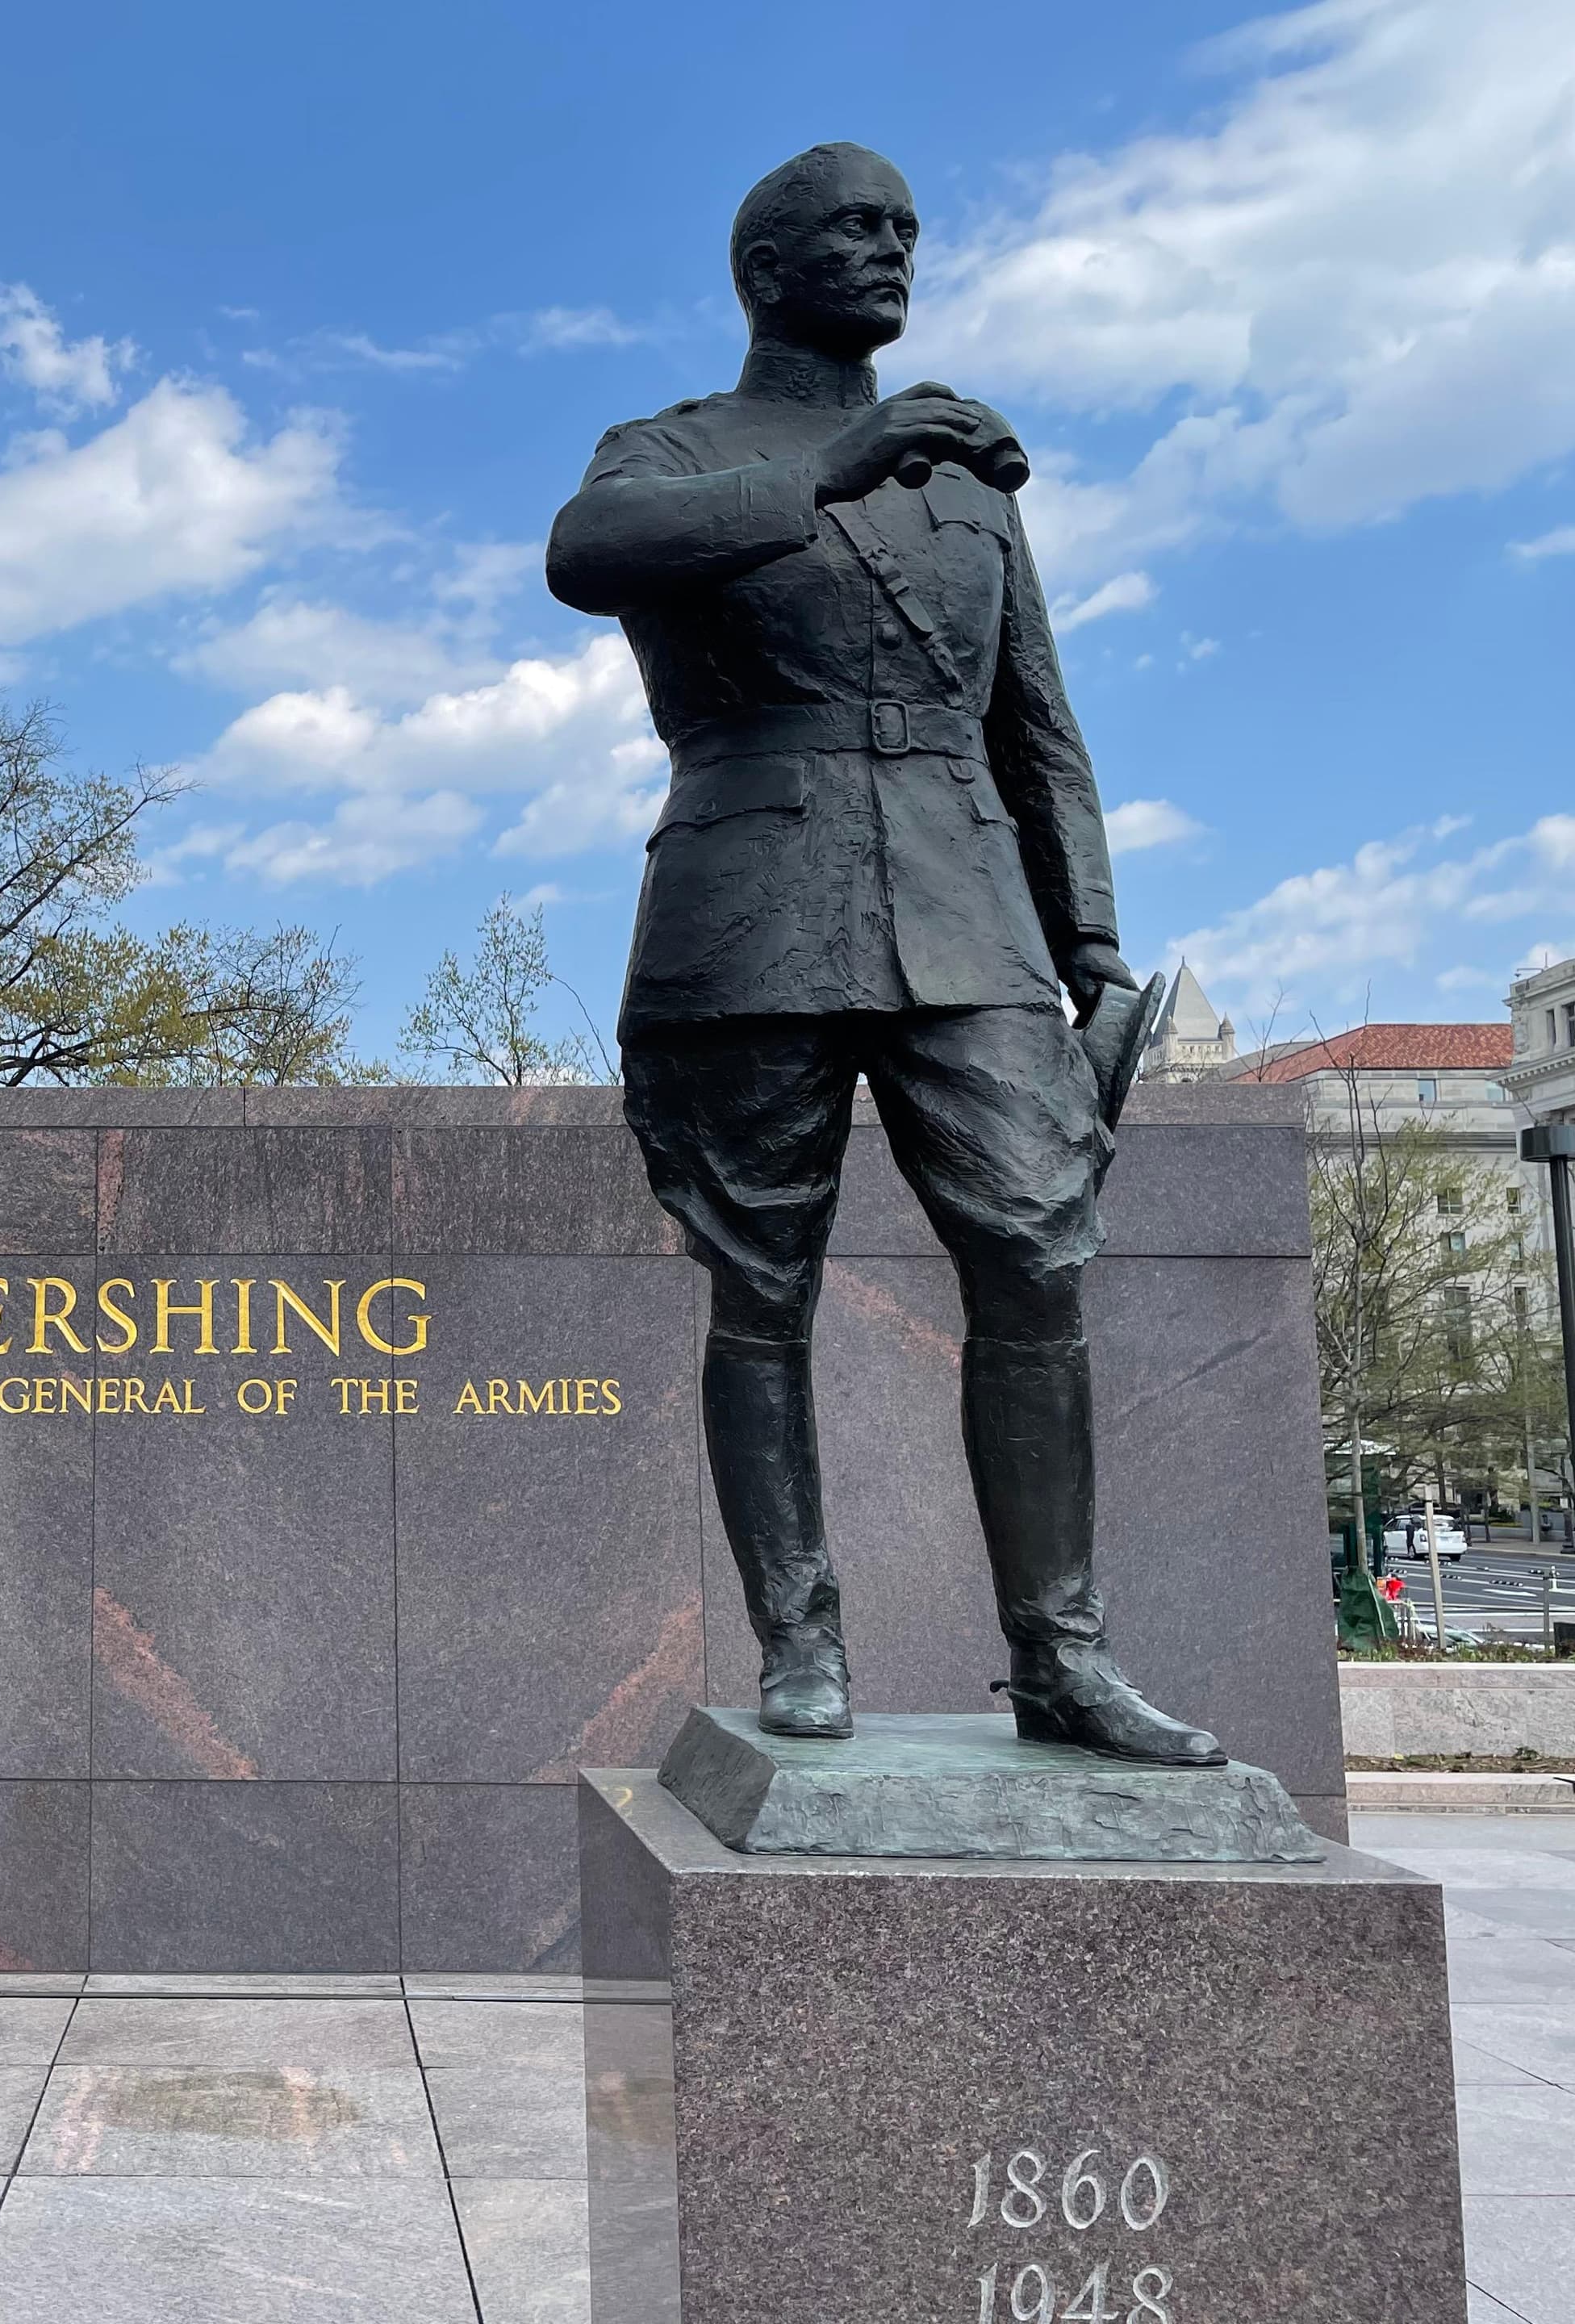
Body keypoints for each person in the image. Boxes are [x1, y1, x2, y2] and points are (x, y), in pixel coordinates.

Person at [546, 140, 1218, 1765]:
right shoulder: (674, 449)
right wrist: (849, 465)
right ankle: (801, 1643)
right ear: (764, 264)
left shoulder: (972, 489)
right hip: (746, 901)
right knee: (761, 1286)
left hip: (966, 903)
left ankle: (1059, 1653)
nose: (893, 253)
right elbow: (587, 555)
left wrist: (1095, 943)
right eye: (857, 229)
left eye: (908, 231)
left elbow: (1035, 723)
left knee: (1038, 1257)